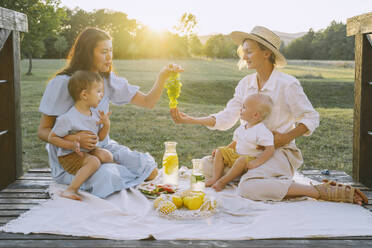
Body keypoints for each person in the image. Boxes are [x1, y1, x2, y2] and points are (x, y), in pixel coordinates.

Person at [170, 26, 368, 205]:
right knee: (205, 166)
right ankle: (255, 176)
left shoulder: (287, 84)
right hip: (245, 154)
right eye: (243, 51)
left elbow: (311, 118)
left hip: (278, 152)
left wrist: (284, 138)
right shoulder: (245, 84)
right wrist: (191, 119)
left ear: (266, 53)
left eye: (249, 51)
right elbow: (227, 117)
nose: (244, 56)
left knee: (248, 188)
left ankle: (318, 191)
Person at [38, 27, 183, 198]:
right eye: (104, 52)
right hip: (72, 155)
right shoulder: (63, 83)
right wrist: (75, 139)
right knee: (108, 176)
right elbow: (43, 130)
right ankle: (106, 173)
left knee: (149, 169)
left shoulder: (107, 80)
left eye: (111, 51)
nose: (109, 57)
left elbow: (147, 102)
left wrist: (162, 76)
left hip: (102, 146)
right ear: (87, 53)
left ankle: (114, 169)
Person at [48, 71, 114, 200]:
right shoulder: (68, 118)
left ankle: (109, 172)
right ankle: (71, 189)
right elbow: (52, 137)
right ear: (84, 94)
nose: (102, 95)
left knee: (106, 155)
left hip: (87, 151)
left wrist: (106, 124)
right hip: (69, 156)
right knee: (94, 161)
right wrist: (71, 145)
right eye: (99, 91)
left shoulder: (94, 114)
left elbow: (100, 137)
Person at [206, 94, 275, 192]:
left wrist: (257, 162)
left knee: (241, 160)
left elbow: (270, 149)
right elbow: (235, 143)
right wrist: (223, 151)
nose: (241, 110)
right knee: (220, 150)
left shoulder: (262, 130)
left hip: (248, 160)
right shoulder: (241, 128)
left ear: (255, 115)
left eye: (244, 108)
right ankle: (215, 178)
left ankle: (222, 182)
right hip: (237, 156)